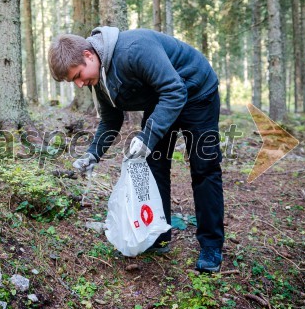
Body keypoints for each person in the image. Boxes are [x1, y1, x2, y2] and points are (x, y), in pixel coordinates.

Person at [48, 27, 224, 273]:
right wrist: (92, 154)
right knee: (153, 165)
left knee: (204, 167)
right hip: (163, 98)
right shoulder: (98, 76)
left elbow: (175, 90)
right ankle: (159, 234)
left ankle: (211, 245)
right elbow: (111, 120)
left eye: (78, 75)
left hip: (196, 91)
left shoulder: (134, 49)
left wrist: (146, 137)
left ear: (88, 55)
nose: (79, 84)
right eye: (74, 81)